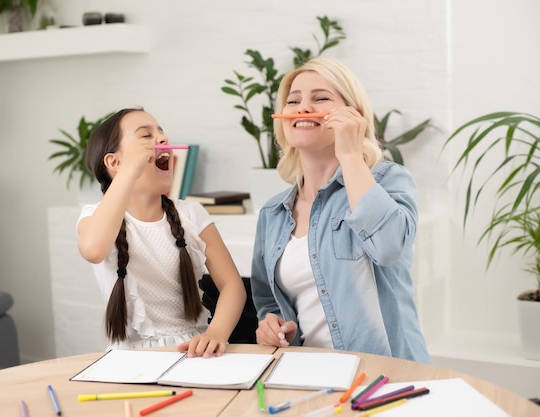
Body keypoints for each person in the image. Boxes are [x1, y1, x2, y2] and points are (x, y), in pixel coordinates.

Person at [251, 57, 431, 363]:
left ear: (353, 115)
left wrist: (349, 154)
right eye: (293, 100)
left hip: (384, 374)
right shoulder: (273, 212)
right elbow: (267, 299)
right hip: (307, 374)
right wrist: (270, 326)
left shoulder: (388, 180)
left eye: (320, 98)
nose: (303, 108)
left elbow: (389, 248)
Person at [77, 107, 246, 358]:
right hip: (127, 358)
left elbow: (232, 285)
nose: (163, 139)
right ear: (114, 162)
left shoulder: (192, 213)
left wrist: (216, 333)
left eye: (161, 133)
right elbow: (93, 250)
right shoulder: (93, 216)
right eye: (145, 136)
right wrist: (128, 171)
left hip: (191, 351)